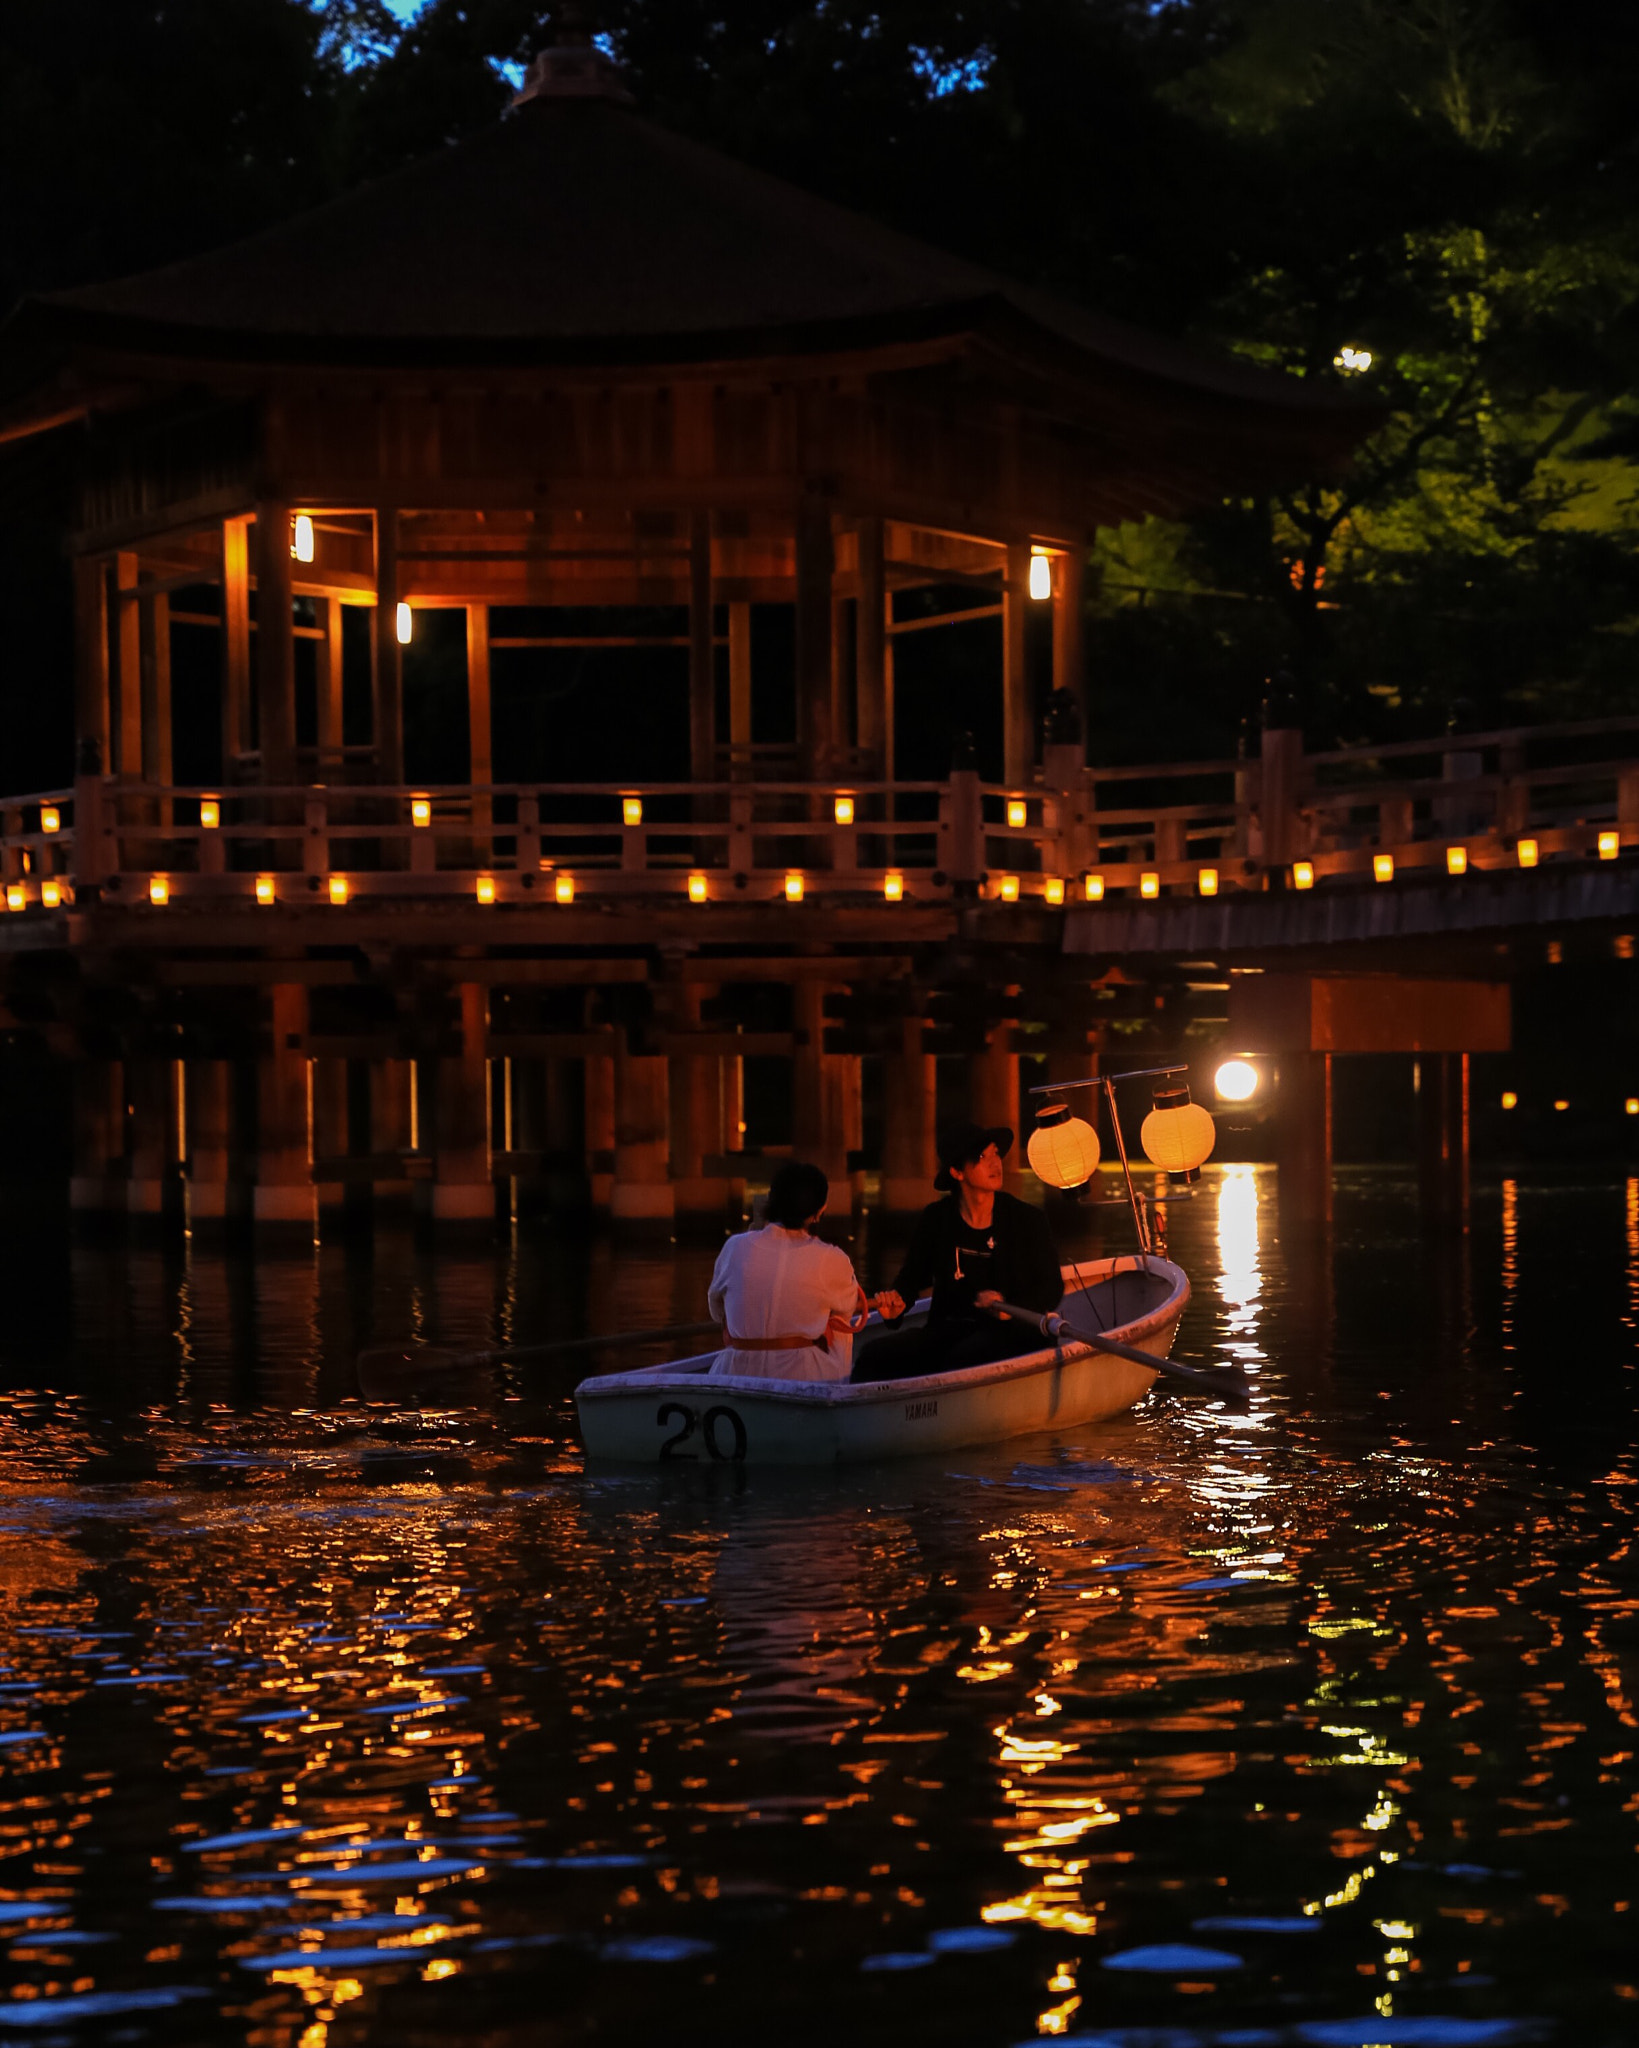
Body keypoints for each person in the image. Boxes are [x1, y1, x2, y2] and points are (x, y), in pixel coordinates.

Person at [853, 1122, 1063, 1382]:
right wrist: (895, 1309)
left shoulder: (1027, 1219)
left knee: (964, 1357)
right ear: (957, 1172)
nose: (995, 1163)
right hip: (948, 1329)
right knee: (871, 1356)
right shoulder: (936, 1218)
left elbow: (1052, 1288)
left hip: (1013, 1331)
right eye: (983, 1157)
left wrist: (1009, 1306)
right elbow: (911, 1280)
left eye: (996, 1153)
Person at [707, 1160, 868, 1382]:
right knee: (837, 1321)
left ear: (770, 1201)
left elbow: (716, 1310)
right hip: (802, 1376)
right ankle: (841, 1384)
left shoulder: (734, 1247)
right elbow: (847, 1308)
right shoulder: (831, 1258)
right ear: (820, 1210)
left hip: (734, 1373)